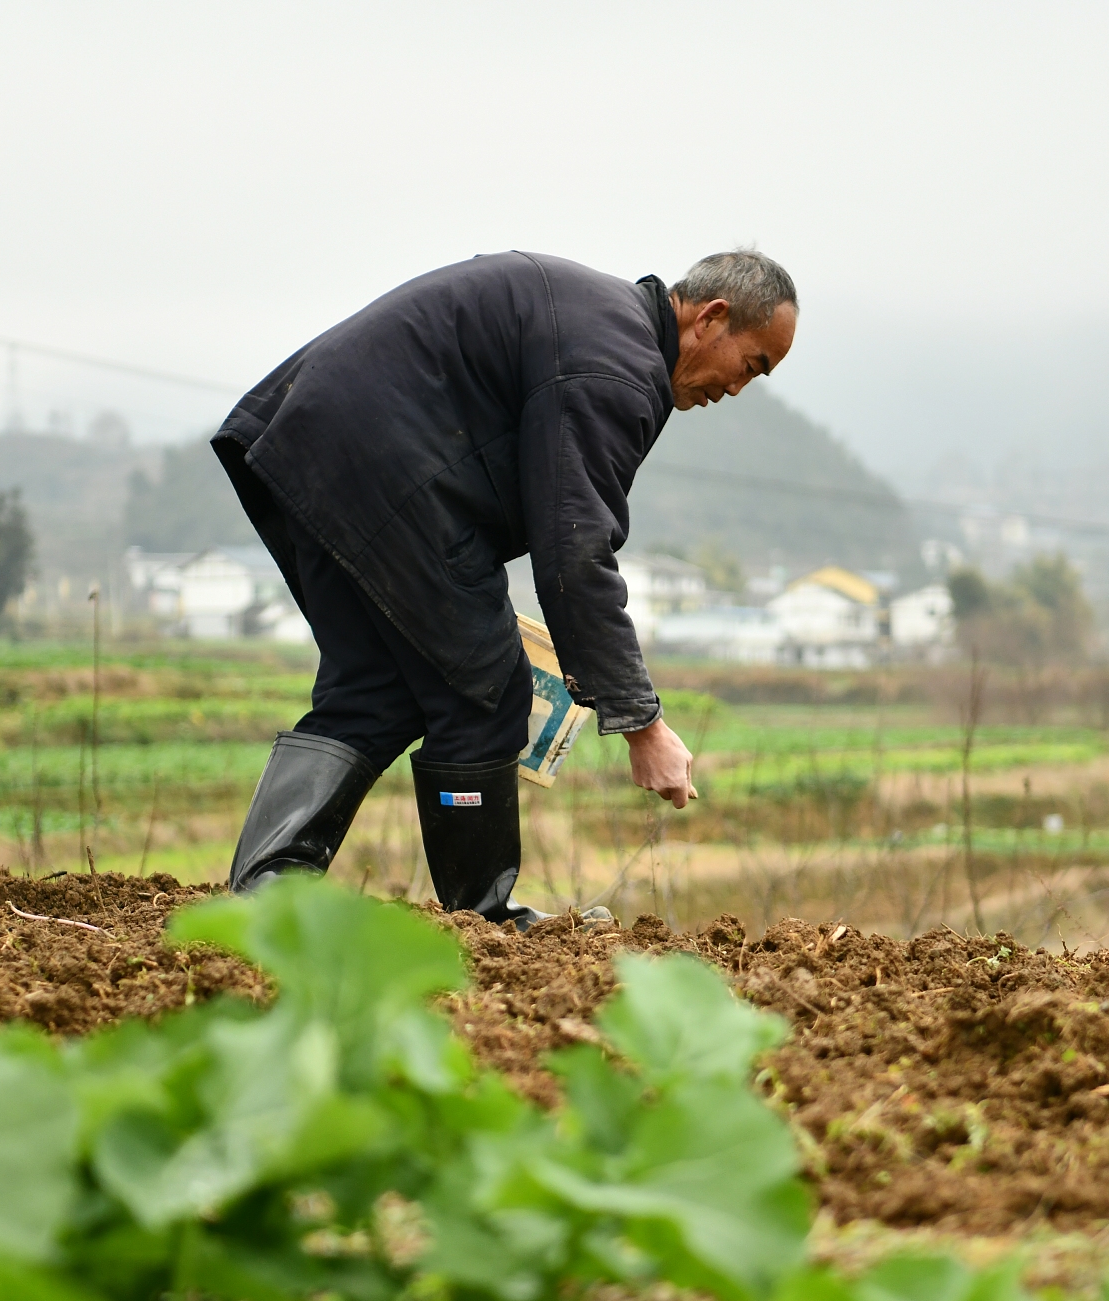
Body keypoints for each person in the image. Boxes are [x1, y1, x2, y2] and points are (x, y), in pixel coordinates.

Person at [212, 248, 798, 925]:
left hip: (310, 443)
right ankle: (485, 918)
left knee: (376, 687)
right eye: (751, 365)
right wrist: (643, 724)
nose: (738, 388)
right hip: (386, 469)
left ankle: (264, 889)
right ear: (712, 317)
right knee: (486, 688)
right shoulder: (616, 364)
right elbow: (576, 551)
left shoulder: (606, 332)